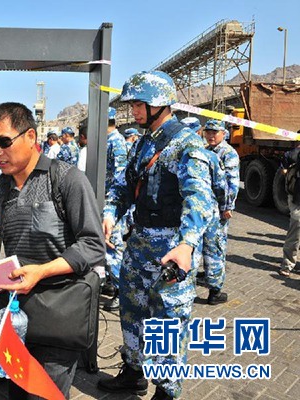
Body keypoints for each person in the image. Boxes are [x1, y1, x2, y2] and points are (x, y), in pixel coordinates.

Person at [97, 71, 214, 400]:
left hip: (170, 248)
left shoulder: (186, 144)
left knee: (169, 320)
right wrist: (110, 213)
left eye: (139, 104)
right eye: (132, 104)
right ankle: (133, 372)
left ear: (159, 103)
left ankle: (166, 390)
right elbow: (124, 185)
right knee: (132, 310)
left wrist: (188, 244)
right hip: (139, 244)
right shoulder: (143, 143)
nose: (133, 111)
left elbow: (199, 199)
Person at [0, 102, 105, 399]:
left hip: (58, 311)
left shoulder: (66, 180)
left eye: (3, 142)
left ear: (31, 136)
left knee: (45, 393)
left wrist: (42, 271)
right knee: (16, 391)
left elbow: (93, 245)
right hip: (16, 314)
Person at [182, 118, 229, 303]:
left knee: (191, 250)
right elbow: (221, 188)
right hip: (209, 212)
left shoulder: (174, 154)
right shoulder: (208, 155)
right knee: (213, 251)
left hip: (187, 213)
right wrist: (223, 207)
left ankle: (187, 291)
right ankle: (214, 292)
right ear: (199, 132)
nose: (210, 135)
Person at [202, 119, 240, 304]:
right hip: (203, 207)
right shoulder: (206, 150)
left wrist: (227, 207)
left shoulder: (228, 153)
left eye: (214, 132)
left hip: (218, 209)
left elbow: (232, 183)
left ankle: (214, 291)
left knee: (215, 248)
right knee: (207, 247)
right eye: (208, 132)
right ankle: (210, 280)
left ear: (223, 134)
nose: (210, 135)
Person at [103, 107, 129, 312]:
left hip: (112, 204)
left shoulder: (116, 142)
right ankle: (115, 284)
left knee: (112, 248)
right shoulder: (108, 140)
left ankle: (123, 293)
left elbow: (120, 178)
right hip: (105, 202)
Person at [280, 141, 300, 277]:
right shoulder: (294, 154)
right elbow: (284, 171)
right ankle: (287, 264)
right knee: (296, 229)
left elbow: (284, 171)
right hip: (297, 198)